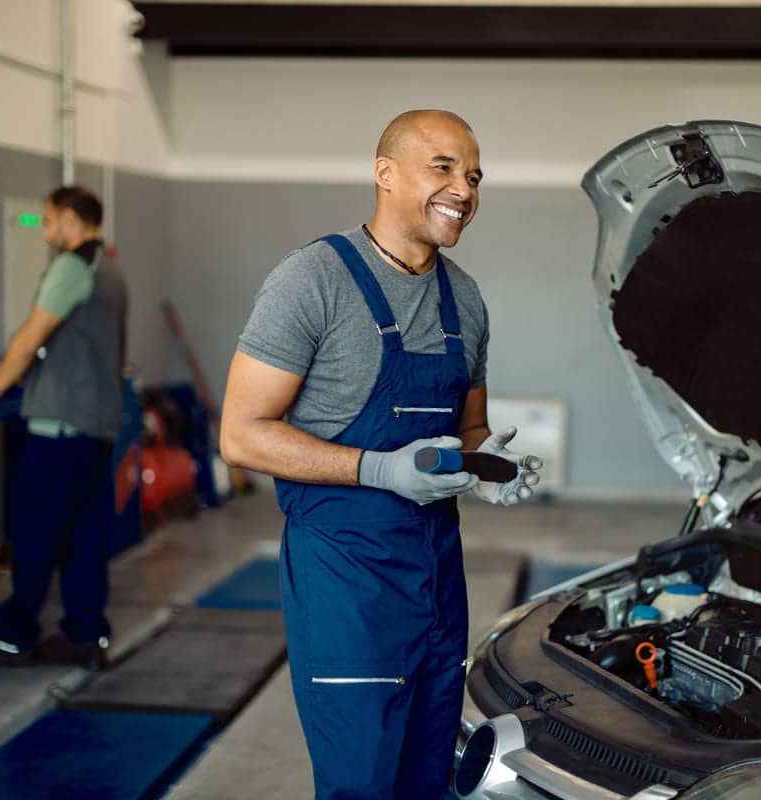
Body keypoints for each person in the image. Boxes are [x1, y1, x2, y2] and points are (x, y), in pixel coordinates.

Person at [220, 109, 542, 799]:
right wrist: (379, 469)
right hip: (346, 585)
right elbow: (241, 433)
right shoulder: (313, 280)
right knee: (361, 785)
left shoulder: (467, 300)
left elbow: (472, 431)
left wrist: (492, 469)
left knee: (429, 779)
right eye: (444, 167)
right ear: (384, 173)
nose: (466, 189)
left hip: (436, 582)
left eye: (475, 175)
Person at [0, 185, 128, 671]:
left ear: (70, 219)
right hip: (96, 424)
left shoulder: (73, 267)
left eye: (48, 221)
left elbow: (33, 335)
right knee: (84, 535)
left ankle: (13, 635)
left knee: (37, 530)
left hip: (61, 426)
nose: (46, 231)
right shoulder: (109, 267)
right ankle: (85, 635)